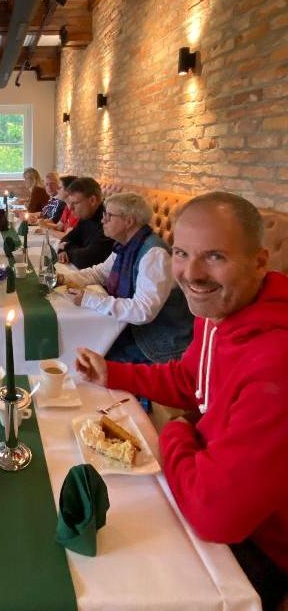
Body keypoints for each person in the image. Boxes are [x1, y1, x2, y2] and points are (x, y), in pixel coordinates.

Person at [75, 192, 288, 609]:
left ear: (260, 262)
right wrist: (112, 373)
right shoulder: (218, 314)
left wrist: (175, 431)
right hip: (209, 487)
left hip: (256, 547)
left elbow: (216, 516)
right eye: (182, 253)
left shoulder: (275, 362)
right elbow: (190, 378)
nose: (191, 274)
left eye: (215, 257)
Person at [63, 192, 193, 363]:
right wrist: (64, 278)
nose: (102, 220)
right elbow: (100, 273)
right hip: (130, 331)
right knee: (77, 341)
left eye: (109, 215)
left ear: (129, 221)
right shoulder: (126, 245)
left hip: (156, 345)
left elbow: (143, 311)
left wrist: (89, 300)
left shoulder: (154, 254)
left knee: (83, 356)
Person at [57, 177, 113, 269]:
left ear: (92, 200)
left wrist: (67, 248)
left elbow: (85, 259)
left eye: (75, 203)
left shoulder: (107, 221)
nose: (70, 208)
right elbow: (67, 238)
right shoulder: (86, 216)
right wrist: (63, 249)